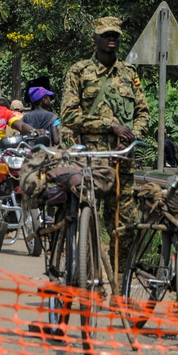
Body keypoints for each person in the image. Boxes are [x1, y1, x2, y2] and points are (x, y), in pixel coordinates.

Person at [61, 16, 150, 269]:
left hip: (122, 163)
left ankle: (120, 286)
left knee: (124, 228)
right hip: (88, 161)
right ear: (95, 38)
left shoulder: (129, 74)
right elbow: (68, 115)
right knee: (81, 220)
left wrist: (131, 135)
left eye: (116, 35)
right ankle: (79, 273)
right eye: (106, 34)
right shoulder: (79, 71)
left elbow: (143, 113)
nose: (112, 39)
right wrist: (109, 125)